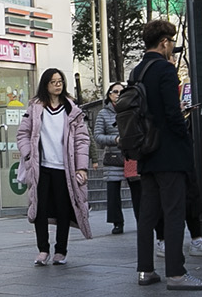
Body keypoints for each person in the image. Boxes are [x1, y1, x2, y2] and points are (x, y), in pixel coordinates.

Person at [131, 19, 202, 290]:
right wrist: (184, 135)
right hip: (169, 152)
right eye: (171, 43)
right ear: (164, 42)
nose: (172, 47)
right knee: (174, 211)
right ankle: (176, 273)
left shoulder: (137, 71)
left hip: (146, 151)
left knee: (148, 215)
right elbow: (172, 113)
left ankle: (145, 271)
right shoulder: (164, 69)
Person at [18, 67, 93, 265]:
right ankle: (43, 250)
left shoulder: (72, 109)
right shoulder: (35, 108)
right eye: (53, 81)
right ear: (46, 84)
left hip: (64, 168)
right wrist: (28, 155)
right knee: (39, 208)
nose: (57, 84)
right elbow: (22, 134)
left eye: (60, 81)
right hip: (41, 167)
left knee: (63, 210)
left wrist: (81, 167)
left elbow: (82, 140)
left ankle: (61, 250)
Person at [95, 82, 127, 234]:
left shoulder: (133, 109)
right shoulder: (103, 113)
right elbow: (98, 136)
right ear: (109, 95)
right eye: (115, 91)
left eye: (122, 91)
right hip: (114, 155)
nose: (118, 94)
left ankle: (143, 220)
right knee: (113, 191)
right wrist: (115, 140)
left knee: (139, 190)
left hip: (131, 155)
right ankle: (117, 222)